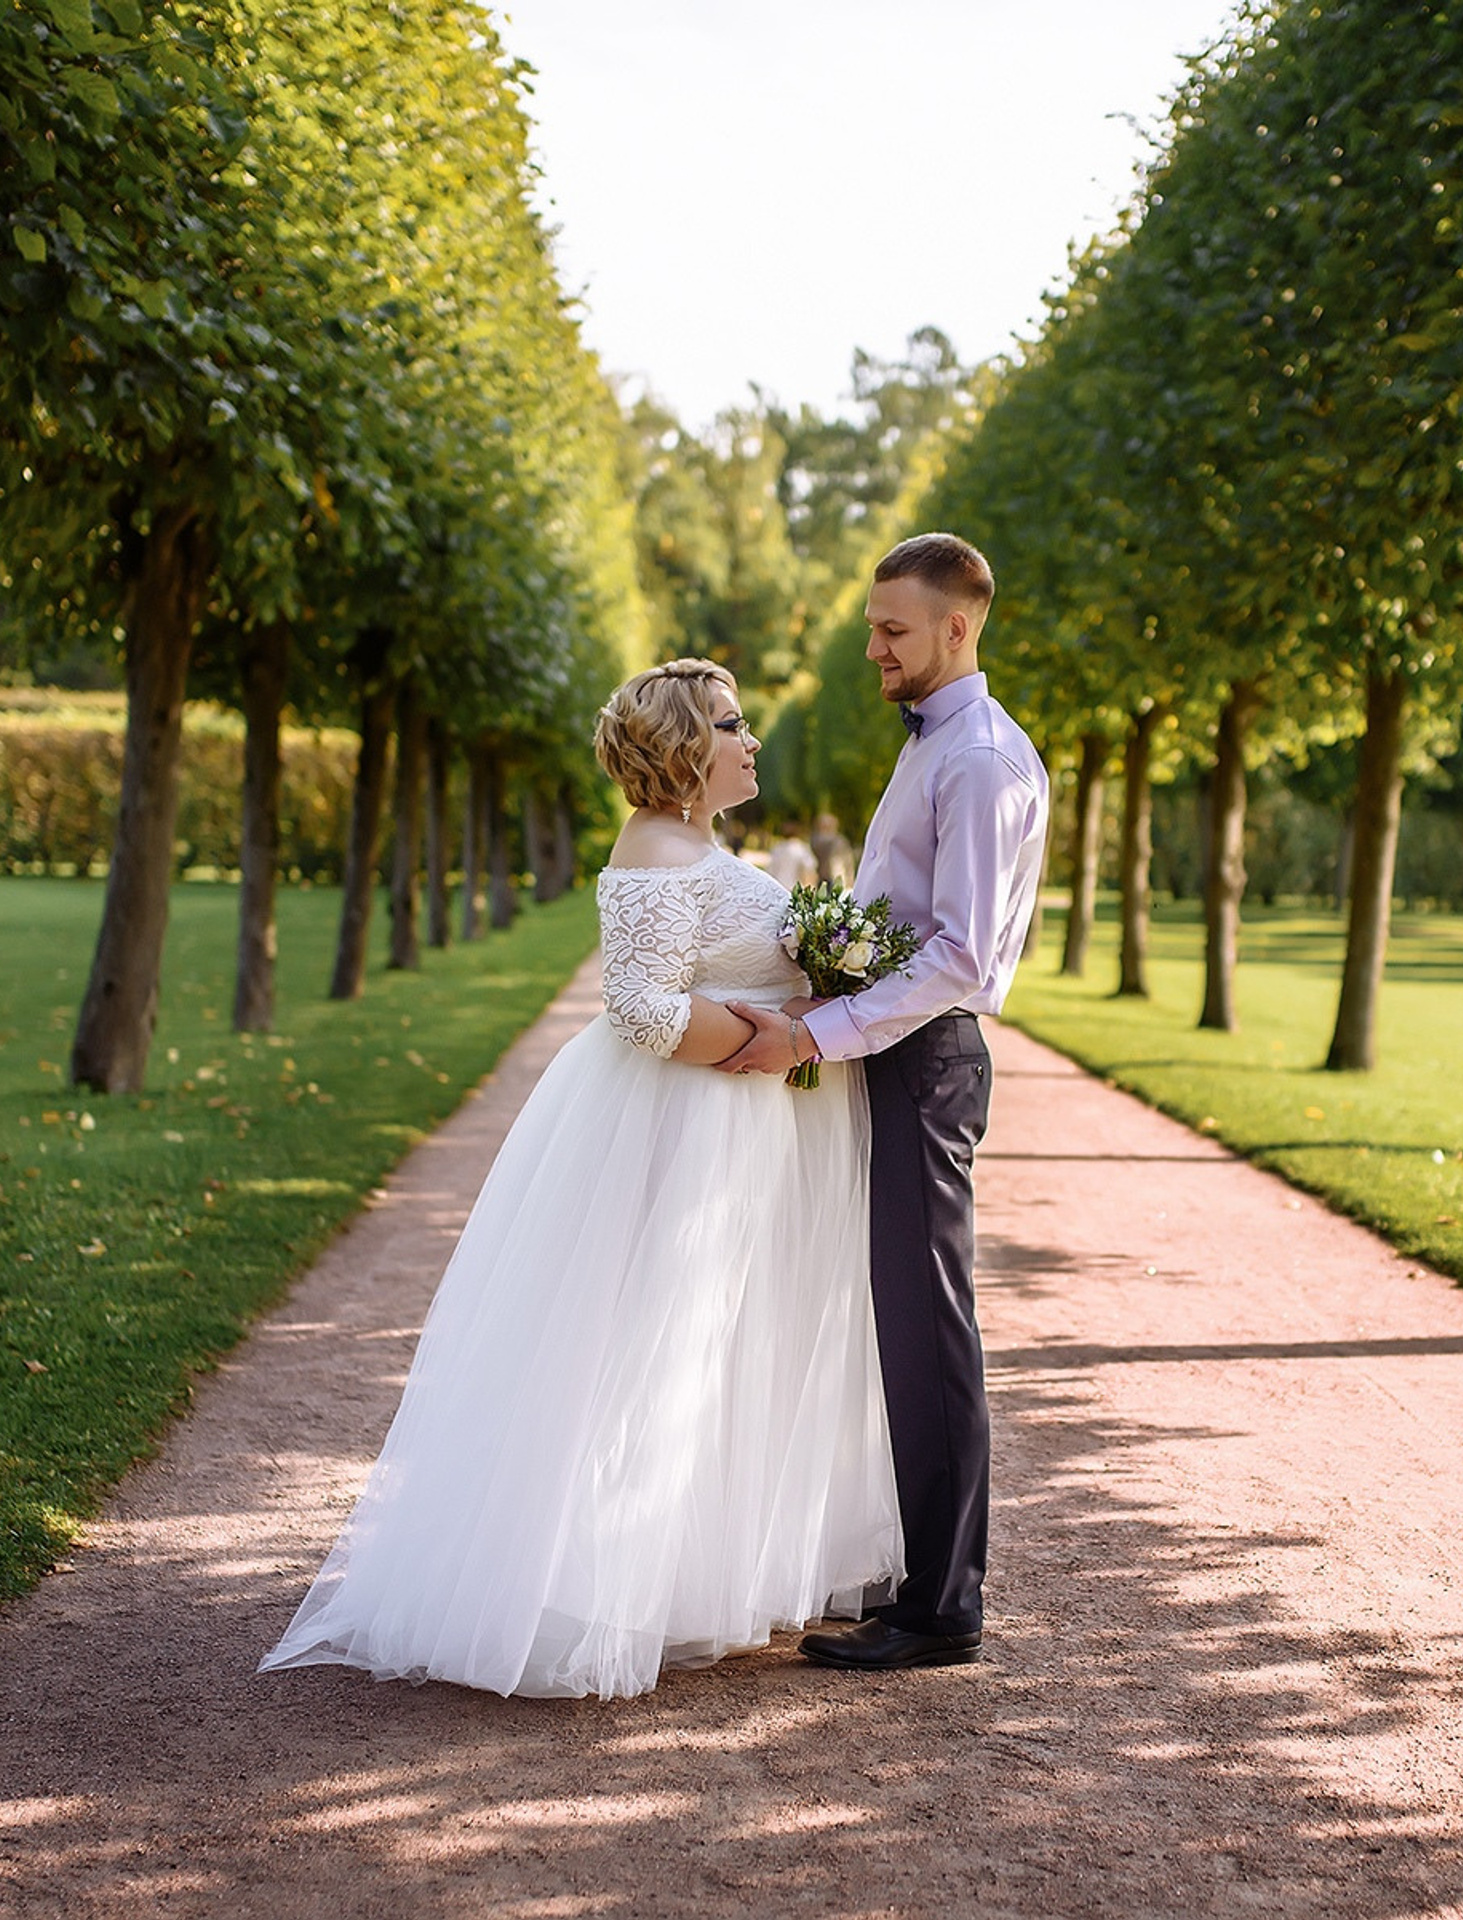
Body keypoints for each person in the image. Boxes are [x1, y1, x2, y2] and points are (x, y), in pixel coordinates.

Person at [258, 658, 901, 1700]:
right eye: (734, 726)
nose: (751, 743)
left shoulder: (693, 843)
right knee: (649, 1342)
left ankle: (687, 1568)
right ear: (690, 748)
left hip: (738, 1122)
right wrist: (779, 1035)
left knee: (717, 1347)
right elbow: (642, 1008)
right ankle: (591, 1584)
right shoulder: (654, 847)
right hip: (693, 1121)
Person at [720, 533, 1049, 1671]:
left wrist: (814, 1031)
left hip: (929, 1062)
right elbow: (894, 916)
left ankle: (946, 1606)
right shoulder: (933, 747)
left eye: (893, 630)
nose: (873, 648)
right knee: (891, 1323)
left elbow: (958, 958)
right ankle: (910, 1576)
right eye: (873, 628)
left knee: (928, 1324)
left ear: (959, 627)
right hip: (892, 1050)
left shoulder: (983, 762)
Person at [764, 821, 819, 890]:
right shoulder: (801, 849)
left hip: (777, 887)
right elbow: (810, 869)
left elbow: (770, 870)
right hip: (794, 888)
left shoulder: (777, 848)